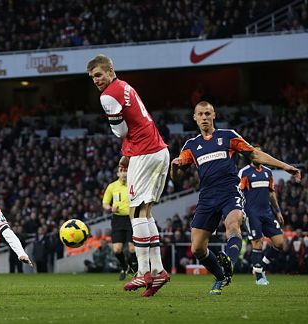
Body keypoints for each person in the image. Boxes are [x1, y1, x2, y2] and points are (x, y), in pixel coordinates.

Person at [170, 101, 301, 295]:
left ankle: (229, 263)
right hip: (206, 197)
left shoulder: (228, 136)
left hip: (230, 191)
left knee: (233, 223)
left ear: (214, 115)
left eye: (208, 113)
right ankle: (221, 276)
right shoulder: (191, 145)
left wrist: (284, 166)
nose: (204, 117)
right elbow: (177, 178)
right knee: (197, 248)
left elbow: (254, 154)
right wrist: (174, 166)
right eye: (201, 114)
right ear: (195, 118)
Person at [87, 54, 170, 297]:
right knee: (146, 212)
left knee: (136, 213)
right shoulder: (125, 86)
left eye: (99, 75)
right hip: (159, 150)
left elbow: (120, 130)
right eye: (92, 77)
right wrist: (127, 153)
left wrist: (128, 150)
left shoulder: (107, 96)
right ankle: (159, 271)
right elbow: (135, 124)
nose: (96, 80)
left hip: (145, 154)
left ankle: (143, 271)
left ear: (110, 70)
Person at [238, 145, 287, 285]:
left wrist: (277, 211)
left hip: (267, 212)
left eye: (260, 153)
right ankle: (259, 277)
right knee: (257, 242)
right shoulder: (244, 172)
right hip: (252, 213)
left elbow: (271, 193)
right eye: (255, 153)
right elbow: (239, 193)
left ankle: (261, 267)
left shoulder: (268, 172)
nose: (258, 155)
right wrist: (240, 211)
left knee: (279, 243)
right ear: (251, 156)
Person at [102, 158, 137, 281]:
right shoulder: (112, 187)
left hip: (131, 218)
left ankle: (134, 267)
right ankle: (124, 266)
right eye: (121, 171)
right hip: (117, 219)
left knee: (133, 248)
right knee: (117, 250)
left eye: (126, 170)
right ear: (118, 173)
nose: (124, 173)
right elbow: (105, 203)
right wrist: (110, 208)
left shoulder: (134, 184)